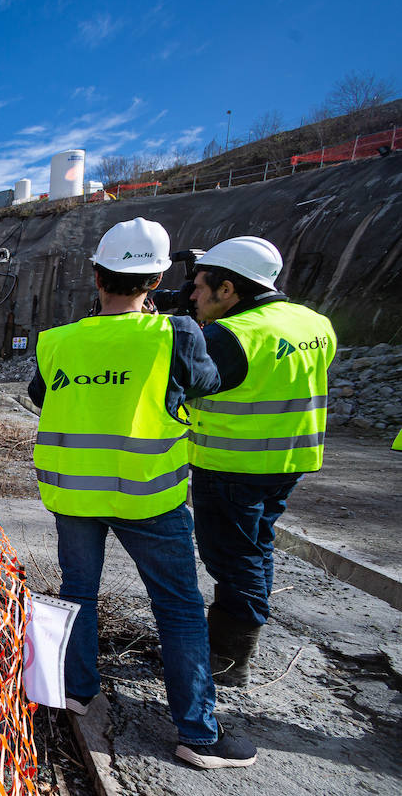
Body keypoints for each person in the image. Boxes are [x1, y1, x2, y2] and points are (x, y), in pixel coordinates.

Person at [29, 217, 256, 769]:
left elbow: (41, 395)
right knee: (178, 609)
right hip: (149, 497)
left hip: (74, 497)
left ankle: (78, 693)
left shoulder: (57, 340)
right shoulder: (176, 333)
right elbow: (206, 383)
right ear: (155, 282)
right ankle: (196, 735)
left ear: (97, 276)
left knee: (78, 592)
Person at [187, 236, 336, 686]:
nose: (192, 296)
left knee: (233, 560)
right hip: (290, 461)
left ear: (227, 289)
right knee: (256, 547)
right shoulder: (314, 323)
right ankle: (236, 643)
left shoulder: (229, 336)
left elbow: (182, 387)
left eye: (199, 287)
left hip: (233, 466)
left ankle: (229, 657)